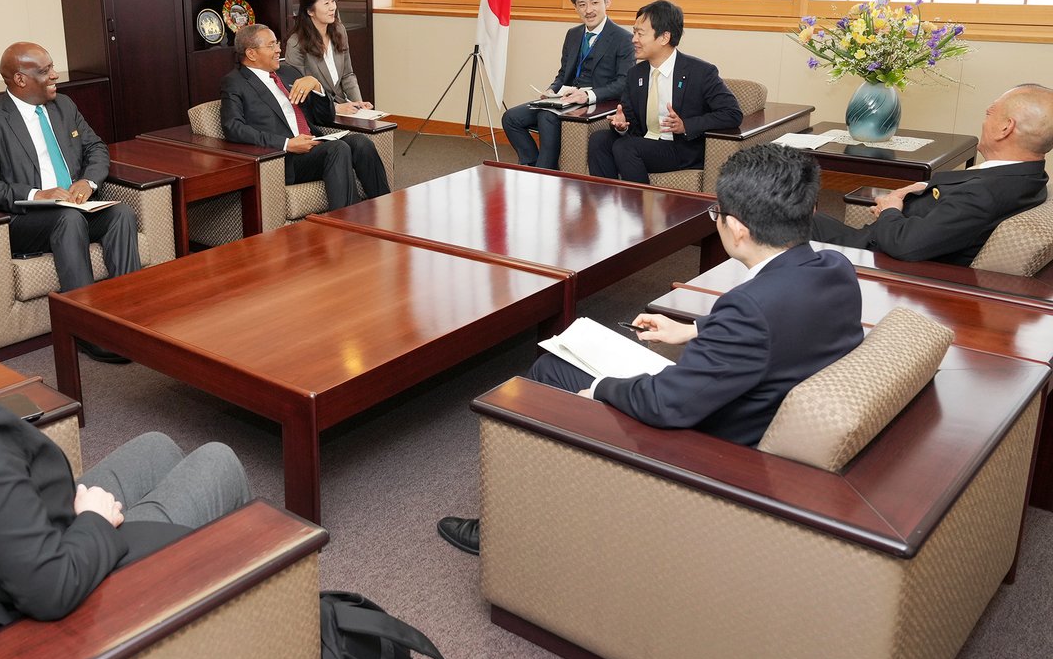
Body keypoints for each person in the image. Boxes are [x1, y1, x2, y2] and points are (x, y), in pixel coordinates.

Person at [438, 144, 865, 555]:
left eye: (717, 213)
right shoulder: (834, 268)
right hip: (759, 407)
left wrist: (602, 389)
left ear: (737, 228)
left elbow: (667, 405)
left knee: (553, 371)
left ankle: (504, 531)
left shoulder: (750, 308)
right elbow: (785, 324)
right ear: (809, 209)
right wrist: (696, 330)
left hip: (718, 444)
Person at [0, 237, 250, 628]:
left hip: (22, 539)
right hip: (79, 588)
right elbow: (50, 589)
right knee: (219, 460)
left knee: (156, 447)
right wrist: (93, 520)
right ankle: (258, 610)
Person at [0, 42, 137, 364]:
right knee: (66, 220)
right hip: (27, 219)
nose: (55, 75)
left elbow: (96, 148)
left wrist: (87, 182)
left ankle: (133, 318)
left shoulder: (64, 106)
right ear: (20, 79)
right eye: (45, 71)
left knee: (121, 213)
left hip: (76, 204)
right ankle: (88, 330)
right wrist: (35, 194)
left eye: (52, 66)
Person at [812, 84, 1053, 265]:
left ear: (1005, 128)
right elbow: (962, 197)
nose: (984, 119)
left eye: (990, 113)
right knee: (794, 214)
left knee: (785, 220)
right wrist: (921, 186)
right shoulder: (1029, 175)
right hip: (885, 241)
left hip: (876, 259)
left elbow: (905, 246)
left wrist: (890, 209)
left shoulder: (983, 195)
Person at [221, 23, 390, 210]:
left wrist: (317, 87)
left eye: (277, 43)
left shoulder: (288, 73)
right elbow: (233, 127)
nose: (278, 50)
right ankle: (347, 225)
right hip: (285, 157)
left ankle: (386, 210)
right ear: (251, 53)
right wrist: (286, 143)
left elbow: (324, 117)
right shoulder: (235, 82)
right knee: (337, 149)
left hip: (314, 144)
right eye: (271, 46)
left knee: (361, 143)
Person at [588, 0, 742, 183]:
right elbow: (631, 121)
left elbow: (732, 113)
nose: (633, 39)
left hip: (678, 148)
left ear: (664, 37)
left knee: (625, 147)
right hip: (645, 142)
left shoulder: (700, 72)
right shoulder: (635, 73)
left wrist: (686, 125)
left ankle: (639, 208)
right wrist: (622, 125)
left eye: (640, 33)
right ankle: (606, 202)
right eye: (634, 32)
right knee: (599, 140)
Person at [500, 0, 635, 169]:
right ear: (576, 8)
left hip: (597, 102)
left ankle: (544, 172)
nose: (588, 10)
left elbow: (623, 83)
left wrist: (587, 95)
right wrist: (552, 90)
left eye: (594, 2)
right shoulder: (573, 34)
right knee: (511, 118)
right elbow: (563, 74)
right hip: (565, 98)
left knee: (546, 116)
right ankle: (531, 165)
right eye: (582, 5)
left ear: (607, 2)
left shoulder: (624, 39)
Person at [284, 0, 372, 116]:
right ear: (310, 11)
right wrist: (335, 108)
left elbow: (348, 75)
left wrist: (359, 105)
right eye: (326, 3)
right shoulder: (295, 44)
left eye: (333, 1)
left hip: (345, 107)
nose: (333, 7)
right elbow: (299, 94)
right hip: (319, 114)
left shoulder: (339, 30)